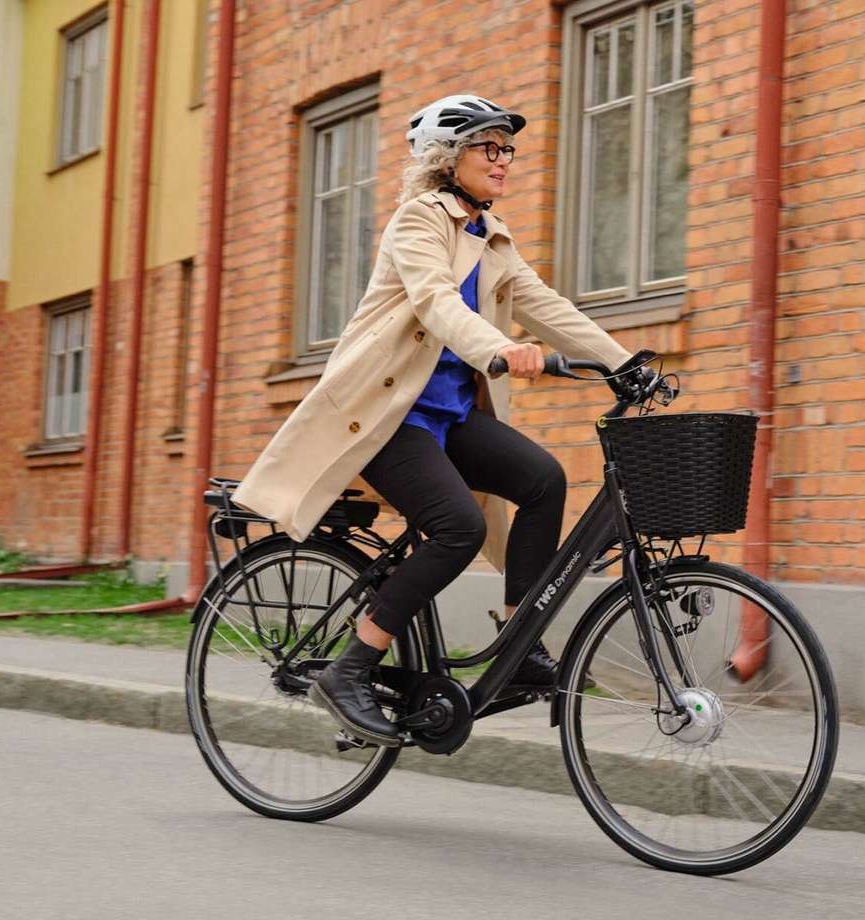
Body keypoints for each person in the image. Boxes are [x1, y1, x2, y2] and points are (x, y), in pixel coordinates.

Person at [229, 94, 640, 746]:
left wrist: (625, 363)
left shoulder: (491, 236)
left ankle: (519, 645)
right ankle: (351, 668)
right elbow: (436, 302)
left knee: (543, 479)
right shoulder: (418, 223)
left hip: (447, 418)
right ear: (449, 157)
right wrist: (499, 349)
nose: (505, 160)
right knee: (458, 526)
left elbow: (546, 307)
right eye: (490, 147)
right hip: (387, 418)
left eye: (508, 148)